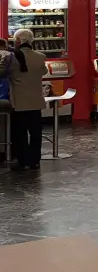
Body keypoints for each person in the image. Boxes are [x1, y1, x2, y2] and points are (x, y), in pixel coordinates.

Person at [6, 29, 48, 171]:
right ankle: (35, 161)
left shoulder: (12, 57)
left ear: (19, 40)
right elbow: (43, 71)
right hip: (36, 101)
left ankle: (23, 161)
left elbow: (5, 72)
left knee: (20, 133)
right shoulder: (41, 56)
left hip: (19, 101)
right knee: (36, 133)